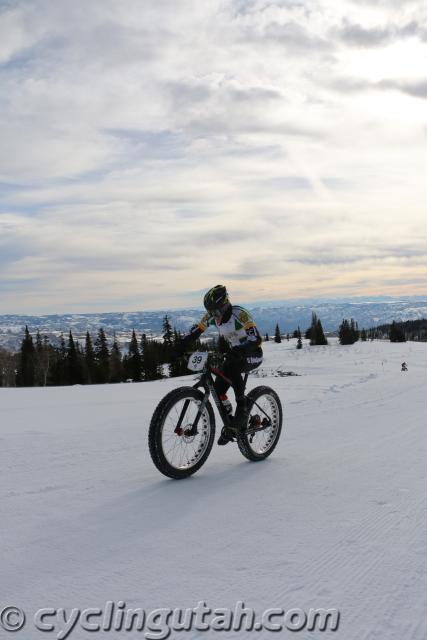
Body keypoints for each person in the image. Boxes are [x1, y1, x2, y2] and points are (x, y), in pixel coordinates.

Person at [177, 285, 263, 445]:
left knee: (233, 366)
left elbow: (256, 339)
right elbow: (196, 331)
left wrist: (241, 350)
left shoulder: (240, 315)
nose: (213, 316)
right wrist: (180, 345)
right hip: (234, 355)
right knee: (218, 389)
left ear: (225, 305)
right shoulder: (211, 316)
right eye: (210, 313)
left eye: (216, 312)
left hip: (253, 354)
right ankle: (231, 423)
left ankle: (242, 405)